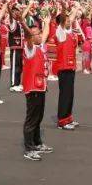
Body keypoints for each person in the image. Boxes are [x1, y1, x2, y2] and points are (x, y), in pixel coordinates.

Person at [20, 14, 53, 161]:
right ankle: (29, 148)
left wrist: (47, 22)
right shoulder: (30, 49)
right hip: (32, 88)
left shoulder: (40, 47)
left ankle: (37, 143)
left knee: (39, 117)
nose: (40, 35)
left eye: (39, 32)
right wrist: (23, 24)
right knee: (32, 119)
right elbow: (28, 35)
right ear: (31, 37)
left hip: (40, 87)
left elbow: (45, 33)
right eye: (36, 34)